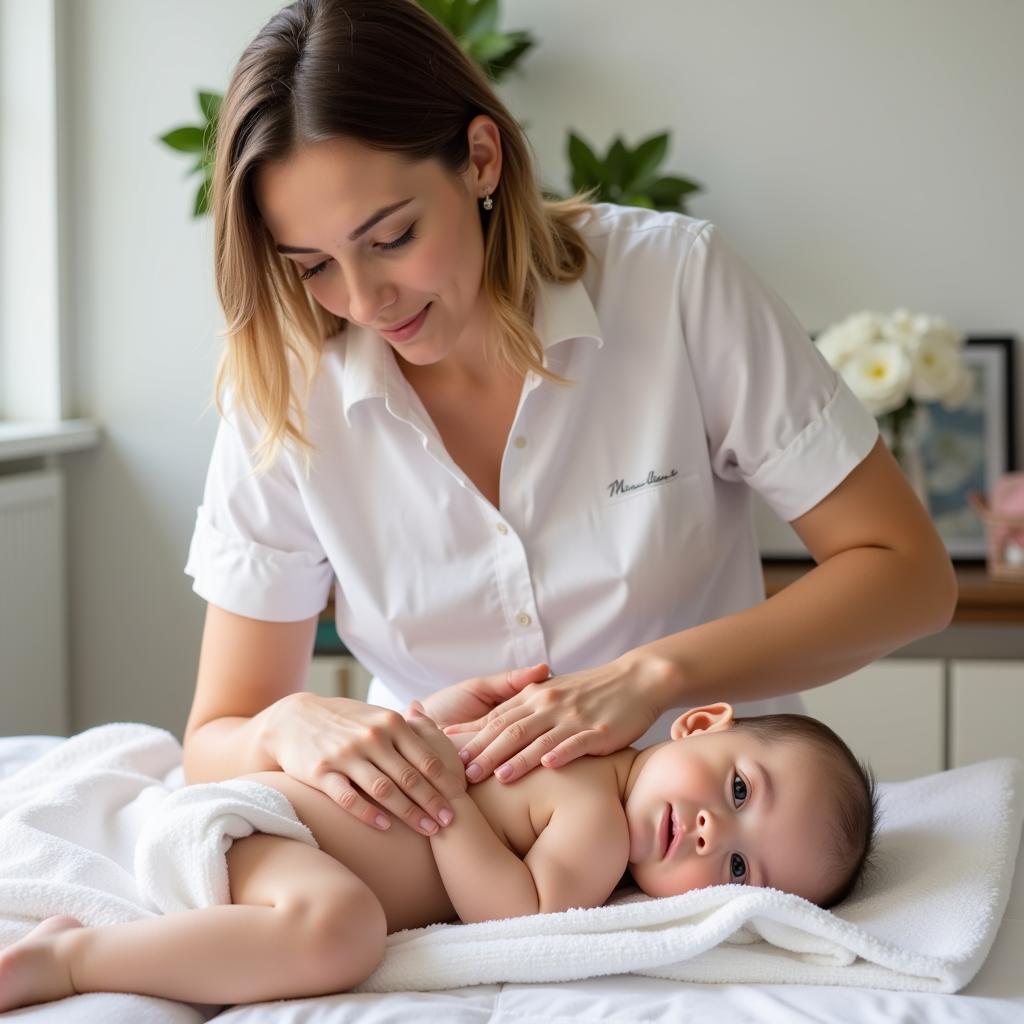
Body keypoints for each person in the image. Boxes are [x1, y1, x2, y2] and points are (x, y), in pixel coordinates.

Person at [181, 0, 956, 844]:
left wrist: (652, 678)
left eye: (393, 237)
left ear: (481, 159)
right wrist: (281, 727)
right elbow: (215, 737)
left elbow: (910, 577)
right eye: (314, 266)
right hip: (463, 861)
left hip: (716, 844)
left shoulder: (674, 286)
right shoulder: (286, 387)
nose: (366, 302)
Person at [0, 702, 878, 1009]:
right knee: (341, 930)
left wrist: (452, 803)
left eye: (736, 871)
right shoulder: (591, 797)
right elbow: (516, 909)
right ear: (698, 724)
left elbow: (516, 913)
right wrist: (446, 742)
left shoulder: (593, 818)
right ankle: (73, 964)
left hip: (268, 833)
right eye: (737, 794)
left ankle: (73, 955)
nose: (706, 836)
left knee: (336, 920)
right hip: (267, 821)